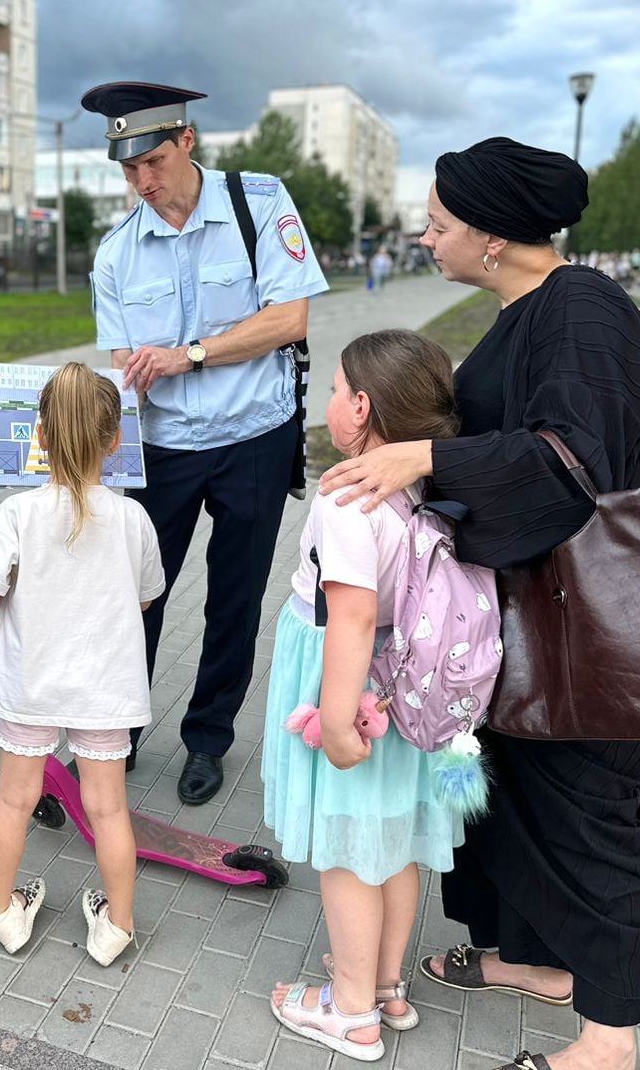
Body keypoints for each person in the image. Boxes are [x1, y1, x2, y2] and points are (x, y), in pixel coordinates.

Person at [320, 137, 640, 1070]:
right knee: (515, 800)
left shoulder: (581, 308)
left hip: (584, 626)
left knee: (590, 807)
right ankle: (532, 961)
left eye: (436, 225)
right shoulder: (525, 310)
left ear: (491, 233)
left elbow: (568, 461)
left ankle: (608, 1039)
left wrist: (424, 460)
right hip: (520, 614)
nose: (426, 240)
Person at [84, 80, 328, 805]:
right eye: (128, 170)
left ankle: (207, 740)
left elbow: (290, 320)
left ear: (186, 140)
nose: (143, 183)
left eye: (153, 161)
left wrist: (187, 354)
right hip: (161, 450)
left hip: (254, 436)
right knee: (136, 597)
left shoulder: (259, 203)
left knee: (234, 599)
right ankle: (117, 733)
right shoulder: (115, 255)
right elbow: (126, 371)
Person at [264, 330, 464, 1063]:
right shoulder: (419, 484)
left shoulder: (351, 496)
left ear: (362, 407)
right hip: (405, 679)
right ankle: (384, 984)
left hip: (351, 684)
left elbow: (347, 613)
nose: (327, 401)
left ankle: (349, 1013)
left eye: (335, 388)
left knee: (348, 847)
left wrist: (339, 718)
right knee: (397, 840)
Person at [0, 363, 166, 965]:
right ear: (115, 440)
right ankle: (117, 926)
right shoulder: (133, 517)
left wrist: (9, 588)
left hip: (33, 682)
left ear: (40, 436)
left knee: (13, 801)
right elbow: (147, 595)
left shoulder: (16, 514)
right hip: (105, 688)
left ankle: (4, 913)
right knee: (107, 807)